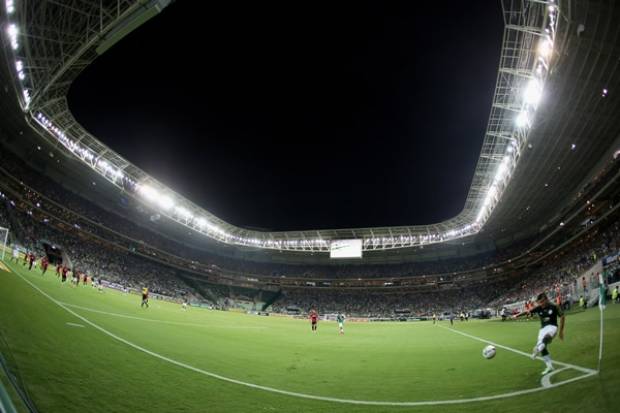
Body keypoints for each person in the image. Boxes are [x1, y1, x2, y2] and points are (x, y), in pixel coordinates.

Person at [513, 292, 565, 375]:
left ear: (546, 300)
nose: (541, 304)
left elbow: (562, 316)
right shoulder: (539, 307)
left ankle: (537, 349)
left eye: (542, 302)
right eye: (539, 302)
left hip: (552, 327)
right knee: (543, 347)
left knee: (545, 339)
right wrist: (517, 315)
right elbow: (528, 311)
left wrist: (561, 331)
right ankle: (549, 366)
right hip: (542, 329)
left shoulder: (554, 306)